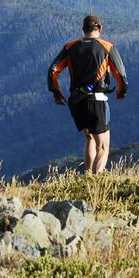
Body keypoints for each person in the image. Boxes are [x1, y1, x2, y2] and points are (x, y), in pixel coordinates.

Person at [47, 15, 128, 174]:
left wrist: (56, 92)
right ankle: (96, 181)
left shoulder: (70, 47)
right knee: (103, 146)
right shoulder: (106, 46)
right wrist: (121, 91)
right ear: (100, 28)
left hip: (76, 101)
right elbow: (121, 74)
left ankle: (87, 177)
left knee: (90, 138)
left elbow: (53, 70)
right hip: (96, 100)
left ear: (83, 29)